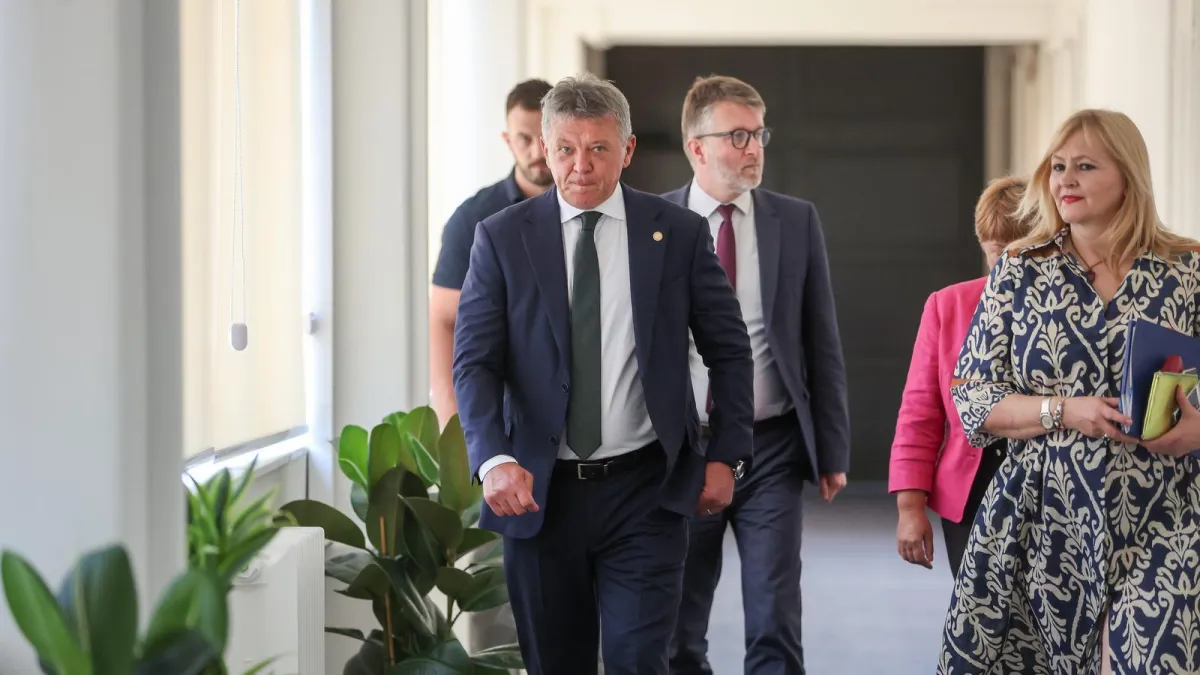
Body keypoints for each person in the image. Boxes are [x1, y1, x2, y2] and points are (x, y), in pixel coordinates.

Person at [453, 73, 755, 675]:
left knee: (638, 660)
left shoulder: (677, 234)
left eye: (598, 148)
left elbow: (729, 350)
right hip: (540, 494)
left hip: (645, 491)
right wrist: (492, 458)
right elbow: (475, 363)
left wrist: (727, 454)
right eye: (566, 148)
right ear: (545, 147)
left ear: (628, 149)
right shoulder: (501, 238)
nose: (581, 165)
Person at [941, 108, 1200, 673]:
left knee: (1159, 657)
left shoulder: (1186, 271)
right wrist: (1062, 410)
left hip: (1164, 508)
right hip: (1042, 512)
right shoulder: (1019, 269)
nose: (1065, 180)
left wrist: (1197, 430)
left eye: (1085, 166)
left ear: (1128, 175)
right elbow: (974, 397)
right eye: (1058, 167)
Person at [663, 75, 850, 675]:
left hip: (770, 446)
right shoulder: (654, 223)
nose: (754, 148)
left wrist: (832, 449)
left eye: (759, 134)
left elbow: (821, 340)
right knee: (678, 628)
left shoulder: (794, 221)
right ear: (697, 147)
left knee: (774, 618)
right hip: (682, 450)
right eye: (737, 136)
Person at [889, 175, 1035, 577]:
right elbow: (919, 412)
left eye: (1023, 253)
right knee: (979, 609)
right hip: (971, 493)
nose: (1010, 266)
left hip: (1047, 489)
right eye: (998, 254)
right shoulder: (948, 306)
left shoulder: (1067, 308)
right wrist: (910, 506)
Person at [430, 78, 553, 424]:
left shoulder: (595, 209)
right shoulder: (473, 218)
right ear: (507, 140)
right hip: (500, 416)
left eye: (545, 138)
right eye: (524, 139)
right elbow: (444, 320)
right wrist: (451, 421)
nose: (537, 152)